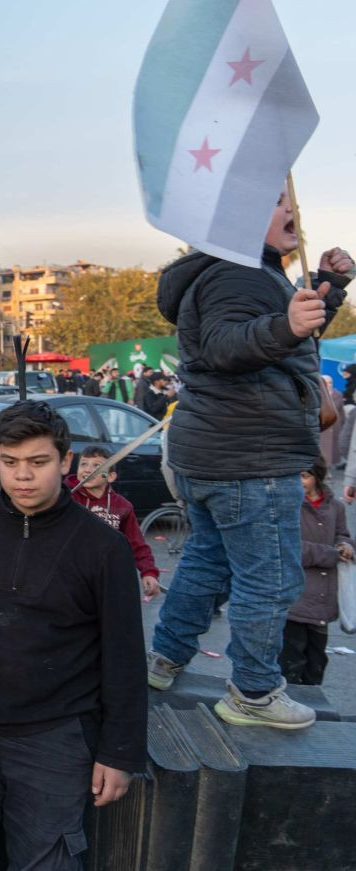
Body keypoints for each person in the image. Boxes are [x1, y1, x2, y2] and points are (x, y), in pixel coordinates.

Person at [148, 185, 353, 729]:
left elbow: (284, 346)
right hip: (250, 458)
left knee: (207, 561)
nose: (293, 210)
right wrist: (286, 324)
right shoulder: (238, 274)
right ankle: (254, 693)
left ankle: (164, 659)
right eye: (278, 201)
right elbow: (225, 345)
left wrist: (328, 292)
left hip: (219, 453)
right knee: (271, 580)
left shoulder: (245, 270)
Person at [0, 401, 146, 869]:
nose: (23, 476)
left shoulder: (104, 547)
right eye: (10, 462)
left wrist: (120, 751)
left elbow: (124, 655)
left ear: (65, 462)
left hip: (56, 738)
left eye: (38, 462)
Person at [280, 459, 352, 686]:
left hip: (323, 598)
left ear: (317, 477)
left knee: (316, 662)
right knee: (291, 660)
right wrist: (330, 554)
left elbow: (343, 534)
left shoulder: (335, 507)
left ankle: (311, 699)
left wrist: (346, 546)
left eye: (304, 475)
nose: (299, 481)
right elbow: (289, 547)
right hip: (296, 598)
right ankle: (290, 696)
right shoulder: (288, 505)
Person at [68, 445, 161, 598]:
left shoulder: (122, 506)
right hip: (71, 574)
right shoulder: (66, 498)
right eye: (83, 464)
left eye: (97, 466)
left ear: (111, 476)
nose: (88, 470)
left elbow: (136, 543)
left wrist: (148, 572)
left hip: (106, 576)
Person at [320, 375, 346, 466]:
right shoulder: (317, 394)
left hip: (335, 427)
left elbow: (341, 412)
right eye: (325, 382)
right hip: (323, 427)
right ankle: (323, 469)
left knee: (332, 451)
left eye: (330, 382)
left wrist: (342, 425)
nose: (328, 385)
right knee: (322, 451)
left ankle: (329, 467)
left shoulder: (338, 395)